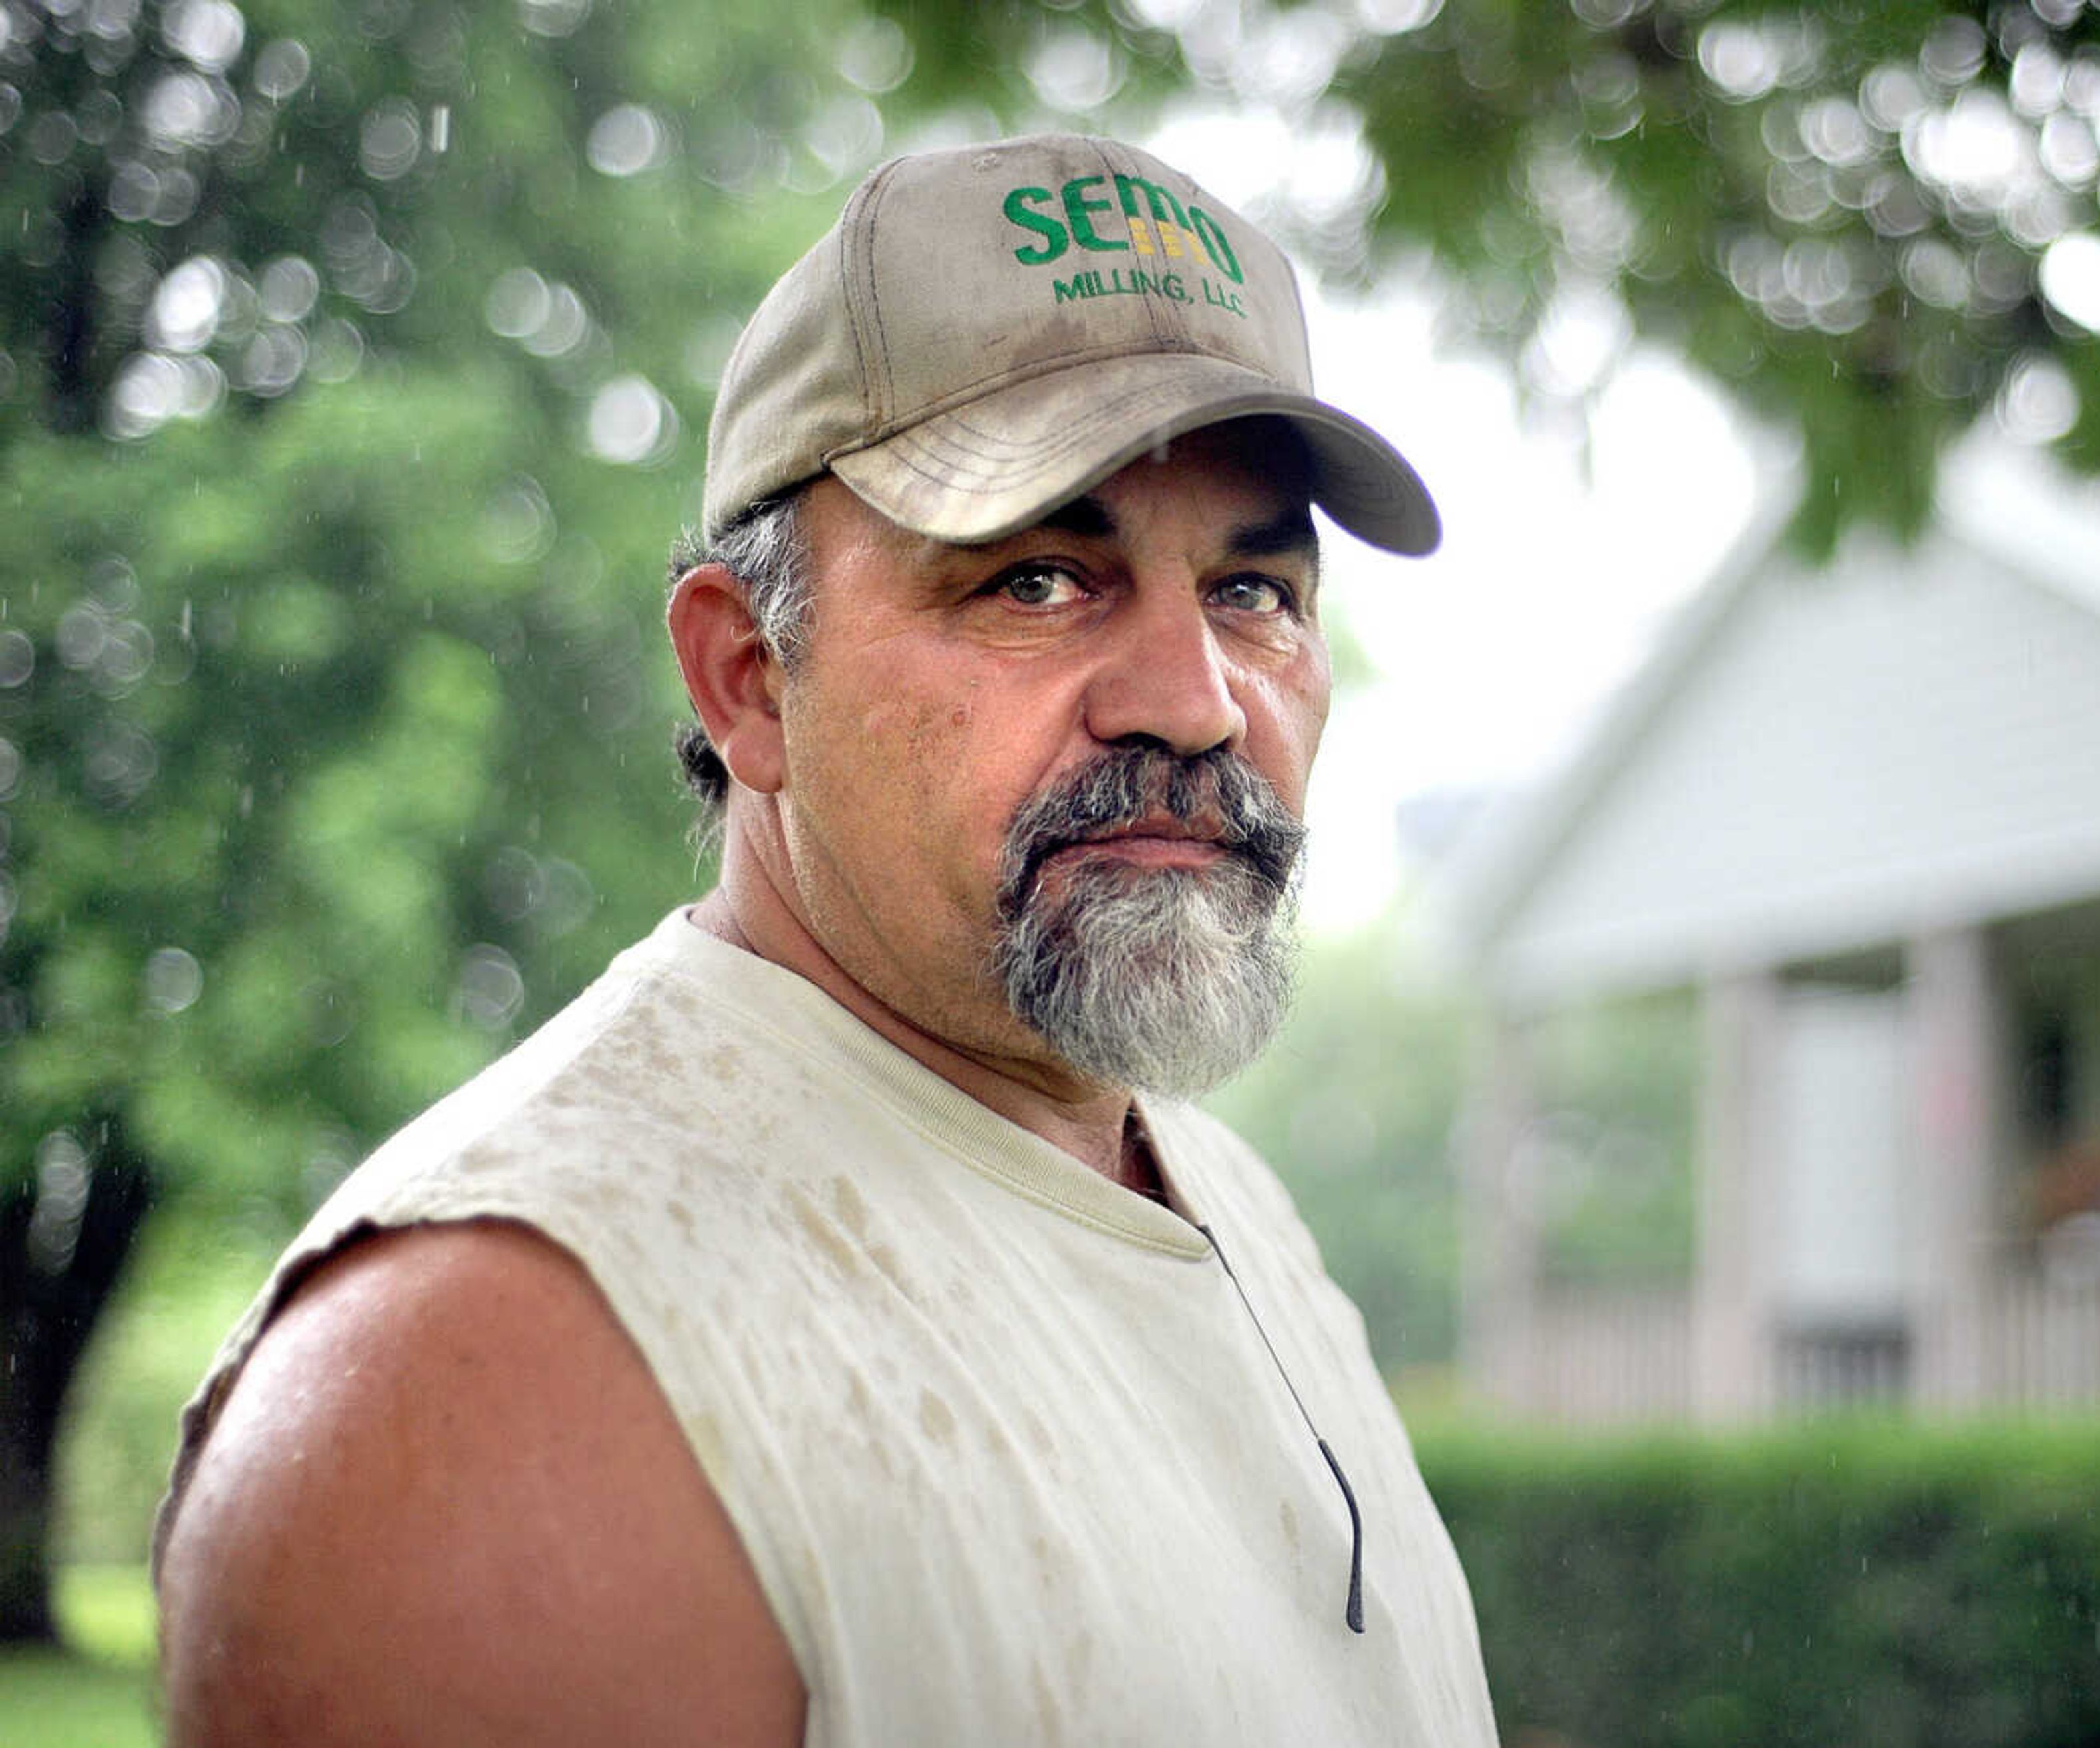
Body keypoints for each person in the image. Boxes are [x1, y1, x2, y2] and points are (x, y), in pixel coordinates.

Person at [151, 133, 1499, 1744]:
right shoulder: (500, 1388)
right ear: (747, 680)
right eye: (1043, 581)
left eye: (1254, 588)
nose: (1195, 700)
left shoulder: (1230, 1207)